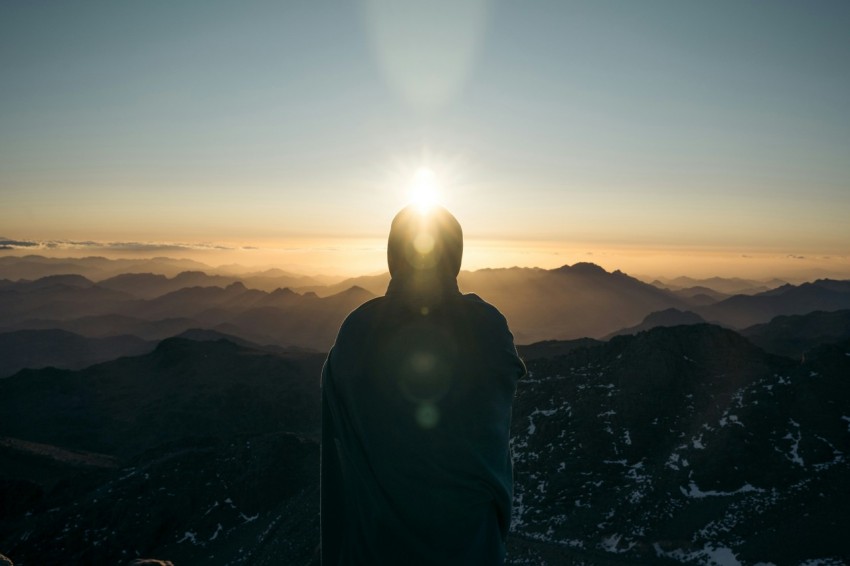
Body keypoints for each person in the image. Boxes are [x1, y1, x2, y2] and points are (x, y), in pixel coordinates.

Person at [320, 205, 526, 565]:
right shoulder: (489, 331)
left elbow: (338, 447)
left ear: (392, 254)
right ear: (455, 254)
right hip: (471, 549)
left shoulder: (358, 332)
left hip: (374, 549)